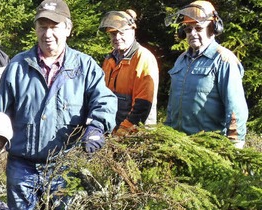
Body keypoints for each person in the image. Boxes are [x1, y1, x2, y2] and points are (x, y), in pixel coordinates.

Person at [0, 0, 117, 210]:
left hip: (63, 167)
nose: (47, 34)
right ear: (36, 29)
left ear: (68, 29)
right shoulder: (18, 67)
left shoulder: (84, 67)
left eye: (54, 26)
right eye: (42, 26)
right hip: (22, 166)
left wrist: (97, 126)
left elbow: (104, 100)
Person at [164, 1, 247, 148]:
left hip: (209, 147)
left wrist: (235, 145)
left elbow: (236, 107)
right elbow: (173, 104)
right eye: (188, 30)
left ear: (213, 28)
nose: (193, 34)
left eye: (198, 28)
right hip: (178, 144)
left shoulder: (223, 60)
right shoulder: (181, 60)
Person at [99, 10, 159, 136]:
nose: (117, 37)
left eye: (121, 32)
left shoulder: (143, 58)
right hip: (113, 130)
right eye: (113, 33)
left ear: (133, 30)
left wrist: (124, 130)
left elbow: (142, 105)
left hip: (136, 133)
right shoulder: (110, 59)